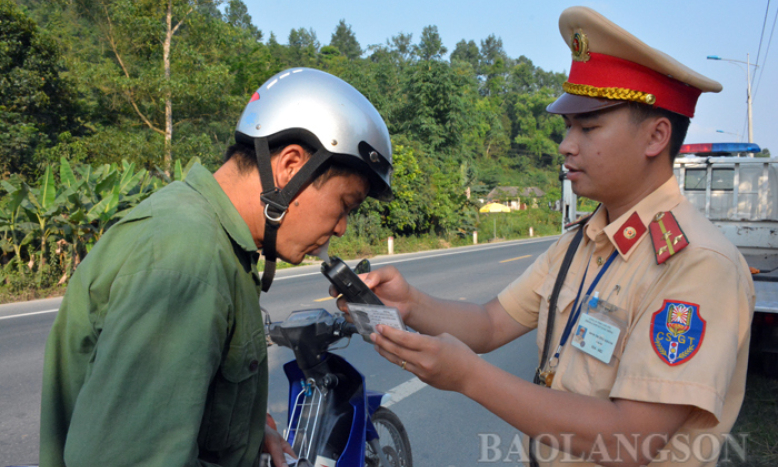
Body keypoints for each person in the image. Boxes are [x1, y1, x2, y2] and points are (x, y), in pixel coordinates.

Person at [344, 7, 754, 467]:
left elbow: (629, 439)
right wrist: (411, 304)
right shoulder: (584, 238)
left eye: (589, 127)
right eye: (567, 126)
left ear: (656, 136)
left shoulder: (697, 264)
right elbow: (491, 323)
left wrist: (468, 377)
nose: (566, 145)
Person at [40, 68, 393, 467]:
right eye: (345, 204)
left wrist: (243, 427)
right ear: (291, 167)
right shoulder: (187, 262)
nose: (342, 227)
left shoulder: (210, 236)